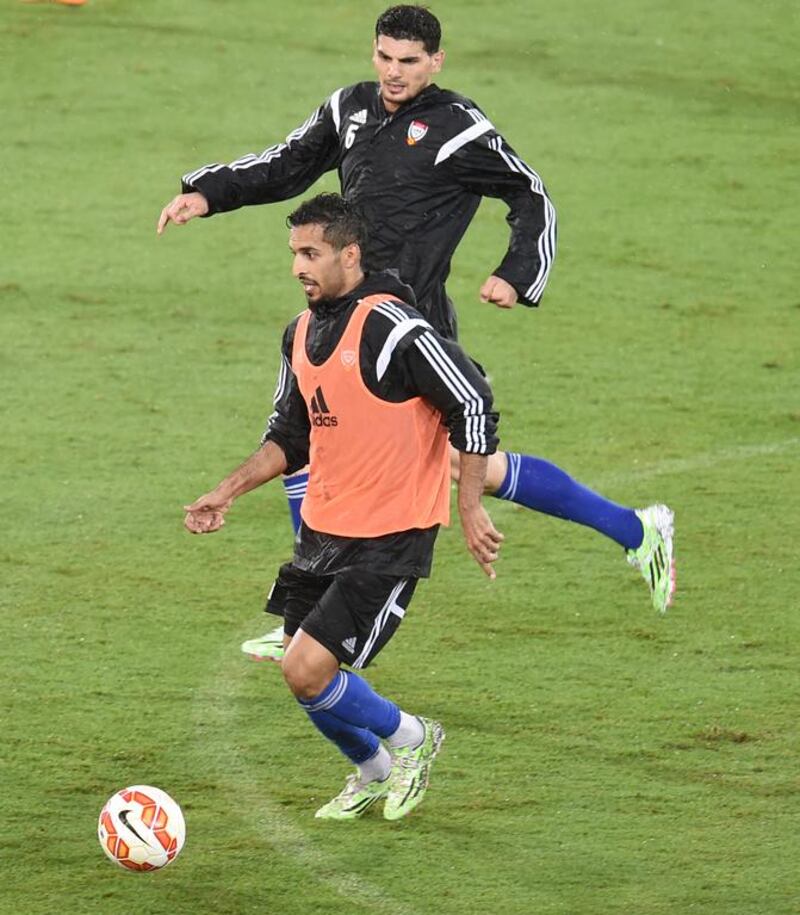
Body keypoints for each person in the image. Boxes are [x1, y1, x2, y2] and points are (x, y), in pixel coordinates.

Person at [160, 5, 675, 662]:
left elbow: (530, 194)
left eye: (409, 61)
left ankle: (637, 528)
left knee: (454, 464)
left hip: (409, 329)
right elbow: (287, 164)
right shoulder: (349, 109)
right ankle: (306, 619)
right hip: (346, 314)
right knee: (321, 440)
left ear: (435, 62)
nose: (394, 73)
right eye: (384, 57)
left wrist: (516, 274)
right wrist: (207, 193)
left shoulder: (456, 128)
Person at [184, 193, 502, 820]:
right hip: (324, 534)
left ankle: (414, 739)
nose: (299, 266)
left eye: (312, 253)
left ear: (350, 255)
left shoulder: (394, 328)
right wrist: (226, 490)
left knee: (307, 667)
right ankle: (373, 769)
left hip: (391, 538)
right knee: (301, 673)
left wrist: (467, 508)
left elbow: (471, 401)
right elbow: (289, 434)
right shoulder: (300, 333)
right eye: (294, 253)